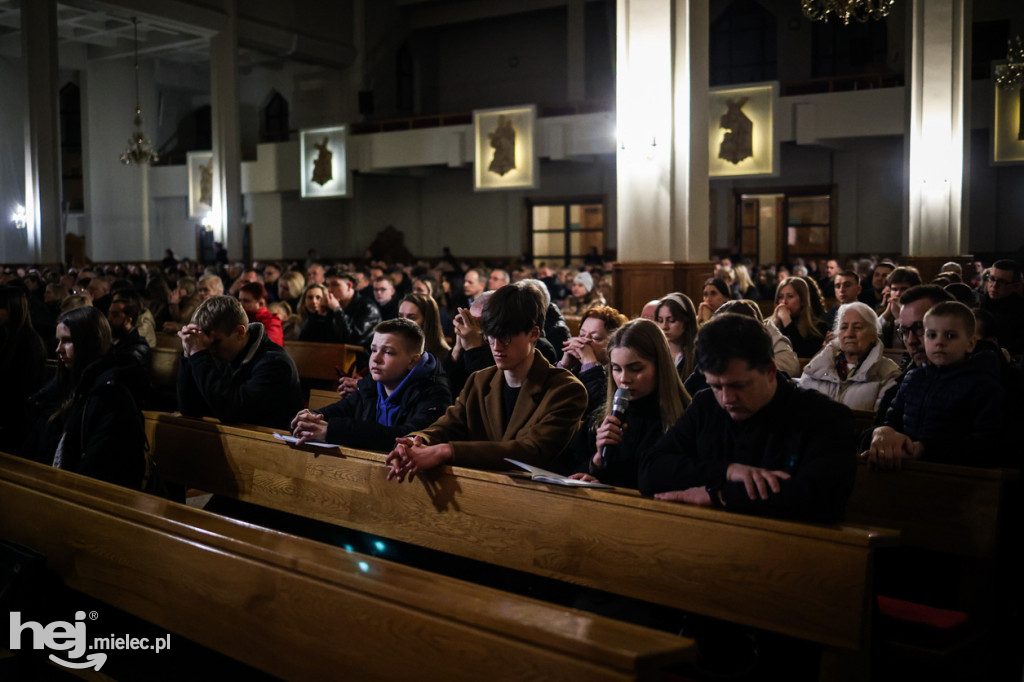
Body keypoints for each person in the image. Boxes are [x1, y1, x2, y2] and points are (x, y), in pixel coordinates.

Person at [638, 314, 858, 523]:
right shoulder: (706, 404)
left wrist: (721, 494)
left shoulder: (827, 418)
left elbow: (821, 499)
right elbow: (650, 472)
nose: (726, 399)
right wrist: (727, 471)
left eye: (738, 385)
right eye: (715, 386)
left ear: (771, 370)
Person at [385, 282, 587, 478]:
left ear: (533, 334)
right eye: (491, 336)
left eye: (506, 337)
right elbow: (447, 426)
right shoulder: (480, 380)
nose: (497, 346)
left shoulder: (566, 389)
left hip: (538, 502)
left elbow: (530, 450)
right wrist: (414, 441)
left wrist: (447, 451)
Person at [865, 301, 1004, 469]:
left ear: (970, 343)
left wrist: (924, 449)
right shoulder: (913, 378)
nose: (939, 342)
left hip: (952, 474)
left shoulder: (982, 385)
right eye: (931, 335)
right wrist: (885, 432)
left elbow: (985, 443)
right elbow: (893, 418)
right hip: (905, 467)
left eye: (950, 336)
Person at [25, 307, 146, 488]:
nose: (58, 349)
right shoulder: (65, 386)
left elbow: (98, 468)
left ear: (88, 343)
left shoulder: (110, 395)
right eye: (58, 341)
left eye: (67, 341)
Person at [290, 319, 452, 451]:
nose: (376, 359)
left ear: (413, 361)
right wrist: (310, 418)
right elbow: (337, 411)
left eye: (387, 352)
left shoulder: (435, 393)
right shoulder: (371, 385)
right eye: (374, 350)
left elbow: (406, 436)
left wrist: (332, 430)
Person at [568, 319, 690, 487]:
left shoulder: (685, 417)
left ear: (660, 366)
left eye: (636, 369)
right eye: (616, 369)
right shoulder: (603, 416)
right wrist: (595, 463)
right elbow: (569, 470)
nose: (624, 379)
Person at [177, 295, 303, 430]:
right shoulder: (218, 354)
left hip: (268, 446)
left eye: (216, 342)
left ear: (240, 332)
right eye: (206, 345)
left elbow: (232, 413)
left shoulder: (276, 364)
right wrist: (188, 354)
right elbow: (189, 409)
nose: (211, 351)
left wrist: (199, 356)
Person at [798, 302, 900, 411]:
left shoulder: (888, 373)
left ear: (874, 335)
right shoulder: (816, 367)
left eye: (858, 327)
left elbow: (880, 421)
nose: (849, 334)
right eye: (844, 327)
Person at [0, 286, 48, 452]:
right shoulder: (6, 336)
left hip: (18, 421)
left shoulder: (28, 342)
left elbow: (21, 389)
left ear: (13, 309)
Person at [557, 305, 629, 416]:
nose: (585, 342)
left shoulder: (619, 373)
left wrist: (590, 364)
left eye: (596, 338)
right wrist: (564, 366)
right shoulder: (575, 365)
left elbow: (597, 410)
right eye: (582, 335)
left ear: (613, 343)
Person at [299, 271, 381, 348]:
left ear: (349, 286)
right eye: (328, 285)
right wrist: (319, 315)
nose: (330, 289)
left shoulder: (368, 308)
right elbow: (305, 339)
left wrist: (337, 310)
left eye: (335, 285)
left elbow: (351, 340)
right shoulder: (331, 307)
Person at [772, 276, 827, 358]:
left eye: (790, 296)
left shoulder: (819, 327)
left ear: (802, 301)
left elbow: (801, 354)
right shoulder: (773, 324)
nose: (784, 302)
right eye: (780, 297)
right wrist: (774, 324)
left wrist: (787, 320)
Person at [979, 259, 1024, 355]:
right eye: (992, 279)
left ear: (1015, 286)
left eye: (1002, 282)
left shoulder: (1020, 310)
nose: (994, 286)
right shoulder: (979, 302)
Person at [655, 292, 698, 380]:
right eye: (660, 320)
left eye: (671, 320)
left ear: (686, 321)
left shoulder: (698, 356)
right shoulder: (655, 353)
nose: (664, 326)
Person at [877, 266, 922, 347]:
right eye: (894, 289)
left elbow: (910, 343)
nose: (897, 294)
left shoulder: (920, 313)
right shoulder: (882, 311)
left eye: (903, 289)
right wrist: (886, 314)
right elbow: (871, 335)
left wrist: (899, 317)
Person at [397, 293, 451, 360]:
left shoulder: (444, 356)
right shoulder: (397, 347)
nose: (403, 322)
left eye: (411, 318)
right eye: (401, 316)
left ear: (427, 321)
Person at [238, 282, 284, 346]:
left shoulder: (271, 321)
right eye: (240, 300)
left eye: (246, 301)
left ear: (260, 303)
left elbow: (270, 346)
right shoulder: (239, 319)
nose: (241, 304)